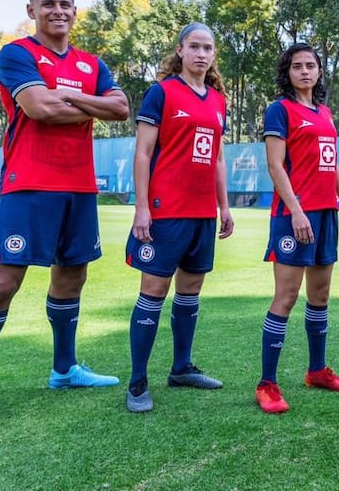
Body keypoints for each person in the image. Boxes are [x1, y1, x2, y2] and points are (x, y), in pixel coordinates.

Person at [0, 0, 128, 388]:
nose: (58, 11)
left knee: (72, 275)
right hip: (28, 184)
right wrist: (89, 106)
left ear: (75, 11)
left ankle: (64, 370)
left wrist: (65, 100)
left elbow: (120, 108)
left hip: (79, 186)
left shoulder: (92, 63)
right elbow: (38, 107)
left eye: (65, 4)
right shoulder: (17, 53)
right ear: (32, 11)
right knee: (2, 282)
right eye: (47, 4)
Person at [124, 22, 234, 413]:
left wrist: (224, 206)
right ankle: (137, 382)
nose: (202, 54)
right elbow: (143, 153)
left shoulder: (219, 101)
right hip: (165, 212)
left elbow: (218, 157)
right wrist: (142, 207)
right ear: (181, 50)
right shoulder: (161, 93)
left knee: (190, 292)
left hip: (202, 214)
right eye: (195, 47)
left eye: (208, 48)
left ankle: (182, 368)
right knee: (153, 293)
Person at [255, 42, 339, 414]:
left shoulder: (326, 114)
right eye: (297, 66)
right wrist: (296, 210)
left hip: (325, 214)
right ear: (288, 72)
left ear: (318, 71)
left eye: (311, 65)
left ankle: (316, 371)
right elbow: (275, 166)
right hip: (293, 215)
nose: (305, 71)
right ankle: (266, 384)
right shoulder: (279, 110)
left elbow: (332, 166)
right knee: (286, 297)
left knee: (321, 295)